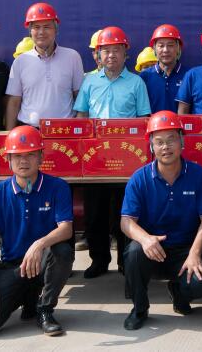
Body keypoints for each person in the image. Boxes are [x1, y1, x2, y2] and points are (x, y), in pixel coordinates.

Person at [0, 125, 75, 337]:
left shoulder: (58, 187)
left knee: (63, 251)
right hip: (13, 267)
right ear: (8, 159)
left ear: (41, 157)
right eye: (17, 156)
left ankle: (44, 310)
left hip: (43, 261)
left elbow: (66, 229)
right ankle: (28, 298)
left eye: (30, 155)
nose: (23, 161)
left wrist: (39, 244)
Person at [120, 111, 202, 330]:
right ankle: (139, 308)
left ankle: (180, 293)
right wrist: (145, 239)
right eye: (159, 142)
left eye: (171, 139)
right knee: (134, 252)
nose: (166, 147)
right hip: (153, 250)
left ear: (182, 141)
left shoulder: (198, 175)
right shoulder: (139, 178)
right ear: (151, 146)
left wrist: (195, 254)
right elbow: (126, 221)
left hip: (185, 251)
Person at [73, 26, 152, 279]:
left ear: (125, 53)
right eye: (105, 51)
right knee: (94, 213)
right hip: (95, 159)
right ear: (98, 55)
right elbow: (82, 115)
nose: (111, 55)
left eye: (116, 50)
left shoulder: (136, 82)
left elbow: (144, 119)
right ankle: (99, 260)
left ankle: (125, 261)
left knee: (124, 211)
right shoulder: (89, 81)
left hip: (126, 159)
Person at [3, 3, 82, 130]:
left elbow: (80, 98)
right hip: (28, 131)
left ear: (56, 30)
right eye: (36, 27)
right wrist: (9, 135)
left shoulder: (72, 57)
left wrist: (78, 129)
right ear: (30, 32)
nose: (41, 32)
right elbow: (14, 102)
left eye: (47, 27)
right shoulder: (20, 61)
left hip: (64, 131)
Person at [140, 24, 189, 114]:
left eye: (170, 45)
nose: (165, 50)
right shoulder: (145, 77)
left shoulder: (189, 75)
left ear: (178, 48)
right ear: (154, 49)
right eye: (161, 46)